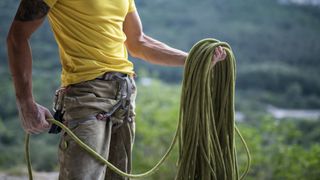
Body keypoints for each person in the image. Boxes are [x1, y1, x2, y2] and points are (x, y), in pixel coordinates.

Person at [6, 0, 227, 179]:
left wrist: (193, 59)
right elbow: (17, 36)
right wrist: (25, 103)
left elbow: (138, 42)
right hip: (87, 96)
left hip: (125, 95)